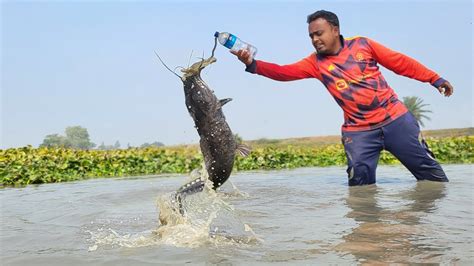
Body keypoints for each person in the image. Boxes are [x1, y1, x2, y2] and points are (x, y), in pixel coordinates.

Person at [231, 10, 453, 186]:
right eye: (311, 36)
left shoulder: (363, 45)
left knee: (433, 180)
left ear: (335, 30)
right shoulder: (314, 63)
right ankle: (368, 236)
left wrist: (434, 78)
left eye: (319, 33)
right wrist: (252, 64)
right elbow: (283, 72)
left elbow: (400, 62)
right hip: (359, 133)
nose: (315, 39)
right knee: (360, 191)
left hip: (396, 121)